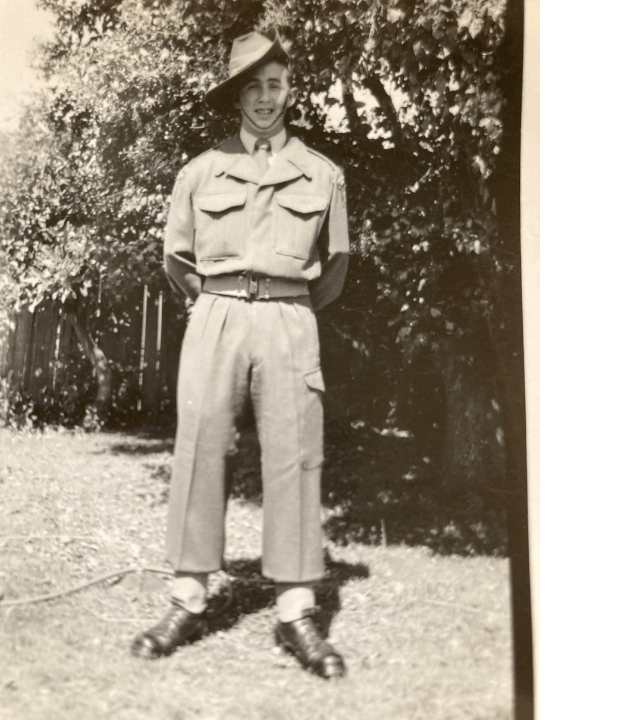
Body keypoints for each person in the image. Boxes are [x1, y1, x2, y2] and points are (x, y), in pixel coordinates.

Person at [130, 31, 349, 680]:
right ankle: (189, 598)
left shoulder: (322, 173)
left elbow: (334, 268)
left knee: (296, 455)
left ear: (289, 90)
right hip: (217, 315)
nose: (263, 97)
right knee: (199, 447)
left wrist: (284, 306)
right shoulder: (198, 172)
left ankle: (296, 609)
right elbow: (177, 258)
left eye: (274, 83)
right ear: (235, 95)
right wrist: (221, 303)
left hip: (289, 317)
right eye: (251, 86)